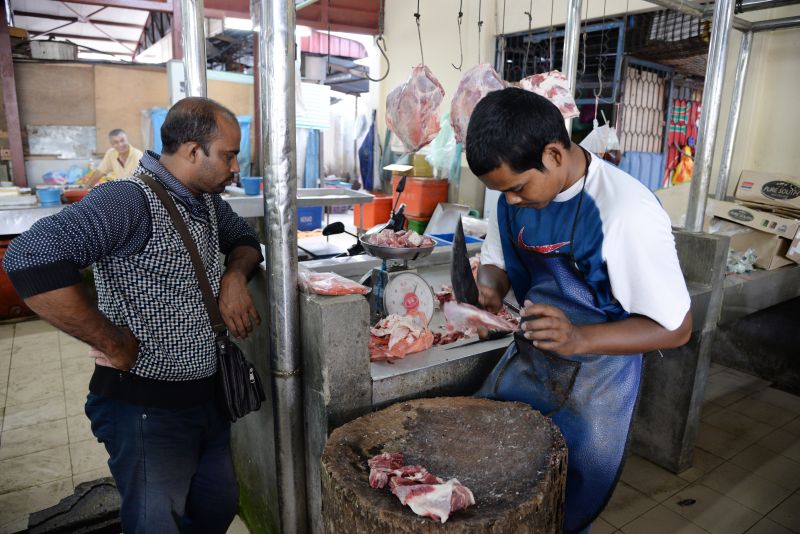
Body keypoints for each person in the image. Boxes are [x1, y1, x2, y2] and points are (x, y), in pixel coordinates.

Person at [3, 97, 263, 534]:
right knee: (155, 523)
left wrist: (234, 277)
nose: (235, 167)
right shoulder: (128, 200)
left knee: (218, 505)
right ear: (192, 151)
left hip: (206, 396)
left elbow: (245, 238)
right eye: (229, 155)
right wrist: (111, 342)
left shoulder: (205, 201)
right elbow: (29, 258)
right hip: (147, 409)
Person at [466, 88, 692, 534]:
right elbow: (498, 257)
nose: (510, 201)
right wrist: (488, 287)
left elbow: (677, 327)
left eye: (516, 188)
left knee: (560, 506)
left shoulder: (625, 213)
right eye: (501, 191)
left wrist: (579, 339)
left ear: (553, 153)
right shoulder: (509, 193)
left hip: (596, 384)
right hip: (532, 361)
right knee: (498, 486)